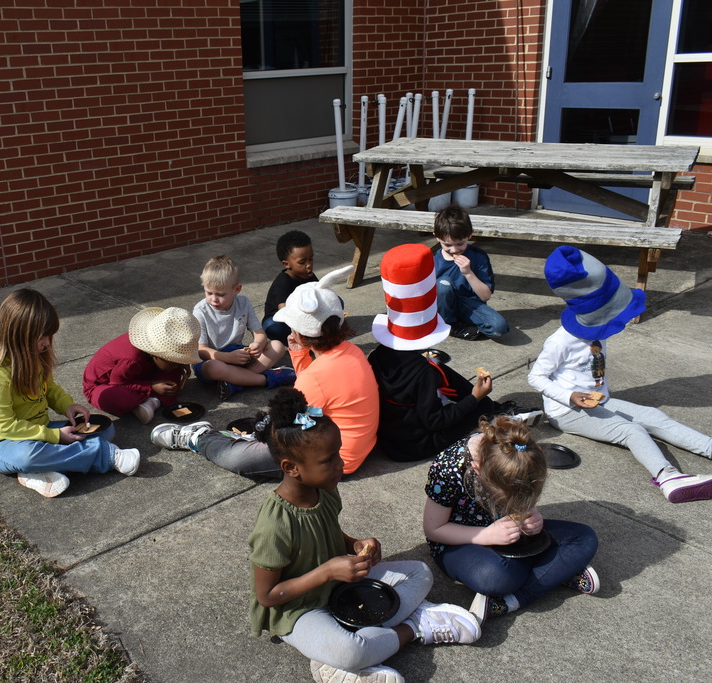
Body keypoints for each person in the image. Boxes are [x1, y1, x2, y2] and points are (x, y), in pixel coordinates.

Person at [247, 388, 481, 683]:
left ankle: (349, 649)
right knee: (350, 652)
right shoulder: (274, 524)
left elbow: (324, 530)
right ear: (291, 468)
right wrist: (326, 571)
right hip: (297, 608)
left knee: (420, 572)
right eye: (329, 460)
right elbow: (267, 596)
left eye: (338, 454)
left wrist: (355, 544)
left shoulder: (325, 490)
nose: (340, 464)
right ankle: (413, 629)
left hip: (340, 587)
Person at [528, 246, 712, 503]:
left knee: (654, 416)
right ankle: (668, 477)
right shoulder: (561, 341)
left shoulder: (596, 326)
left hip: (599, 401)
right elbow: (536, 377)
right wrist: (570, 395)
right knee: (632, 431)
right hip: (566, 413)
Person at [152, 266, 381, 478]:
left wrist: (262, 433)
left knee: (238, 457)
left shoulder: (315, 377)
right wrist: (299, 353)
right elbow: (314, 394)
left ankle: (198, 437)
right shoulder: (351, 351)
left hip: (329, 460)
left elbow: (291, 426)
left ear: (301, 333)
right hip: (353, 448)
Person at [368, 244, 541, 462]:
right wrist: (474, 398)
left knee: (441, 368)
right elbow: (436, 422)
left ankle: (490, 408)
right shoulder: (425, 372)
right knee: (474, 406)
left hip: (389, 438)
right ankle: (491, 417)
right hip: (416, 445)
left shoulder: (377, 355)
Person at [422, 415, 600, 623]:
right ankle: (556, 571)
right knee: (496, 577)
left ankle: (510, 600)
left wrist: (532, 515)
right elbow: (434, 529)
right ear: (478, 471)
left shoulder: (520, 453)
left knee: (585, 538)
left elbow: (524, 498)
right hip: (459, 541)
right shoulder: (449, 468)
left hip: (511, 535)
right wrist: (486, 535)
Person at [0, 289, 140, 498]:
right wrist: (54, 436)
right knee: (26, 457)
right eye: (42, 337)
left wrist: (67, 406)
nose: (47, 343)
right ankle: (104, 455)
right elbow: (6, 427)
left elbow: (49, 389)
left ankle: (41, 471)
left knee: (105, 430)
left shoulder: (34, 356)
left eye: (49, 336)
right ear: (19, 335)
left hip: (39, 431)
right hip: (2, 444)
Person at [192, 255, 296, 400]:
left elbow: (259, 334)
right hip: (212, 360)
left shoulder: (243, 303)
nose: (214, 299)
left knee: (277, 346)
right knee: (216, 368)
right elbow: (201, 350)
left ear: (237, 289)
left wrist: (257, 345)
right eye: (209, 293)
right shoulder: (200, 310)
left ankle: (236, 382)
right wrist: (227, 357)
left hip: (237, 354)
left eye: (221, 294)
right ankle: (265, 379)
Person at [83, 306, 201, 424]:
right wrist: (150, 386)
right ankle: (152, 399)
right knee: (115, 398)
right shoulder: (131, 359)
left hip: (140, 372)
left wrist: (181, 364)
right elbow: (118, 383)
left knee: (175, 373)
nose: (177, 364)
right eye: (173, 362)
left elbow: (169, 366)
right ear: (155, 354)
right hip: (104, 385)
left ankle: (152, 401)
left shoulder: (155, 352)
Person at [432, 205, 509, 340]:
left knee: (499, 328)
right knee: (444, 284)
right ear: (437, 237)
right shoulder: (432, 258)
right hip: (441, 305)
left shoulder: (478, 256)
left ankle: (456, 324)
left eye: (460, 244)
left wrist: (468, 273)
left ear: (470, 235)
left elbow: (485, 296)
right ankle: (449, 323)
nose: (454, 250)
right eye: (448, 245)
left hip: (468, 304)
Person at [262, 229, 319, 342]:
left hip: (305, 315)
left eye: (311, 259)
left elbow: (321, 294)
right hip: (283, 320)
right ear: (286, 264)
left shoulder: (309, 275)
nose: (309, 265)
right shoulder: (283, 282)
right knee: (272, 327)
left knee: (337, 301)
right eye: (302, 262)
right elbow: (285, 311)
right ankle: (302, 339)